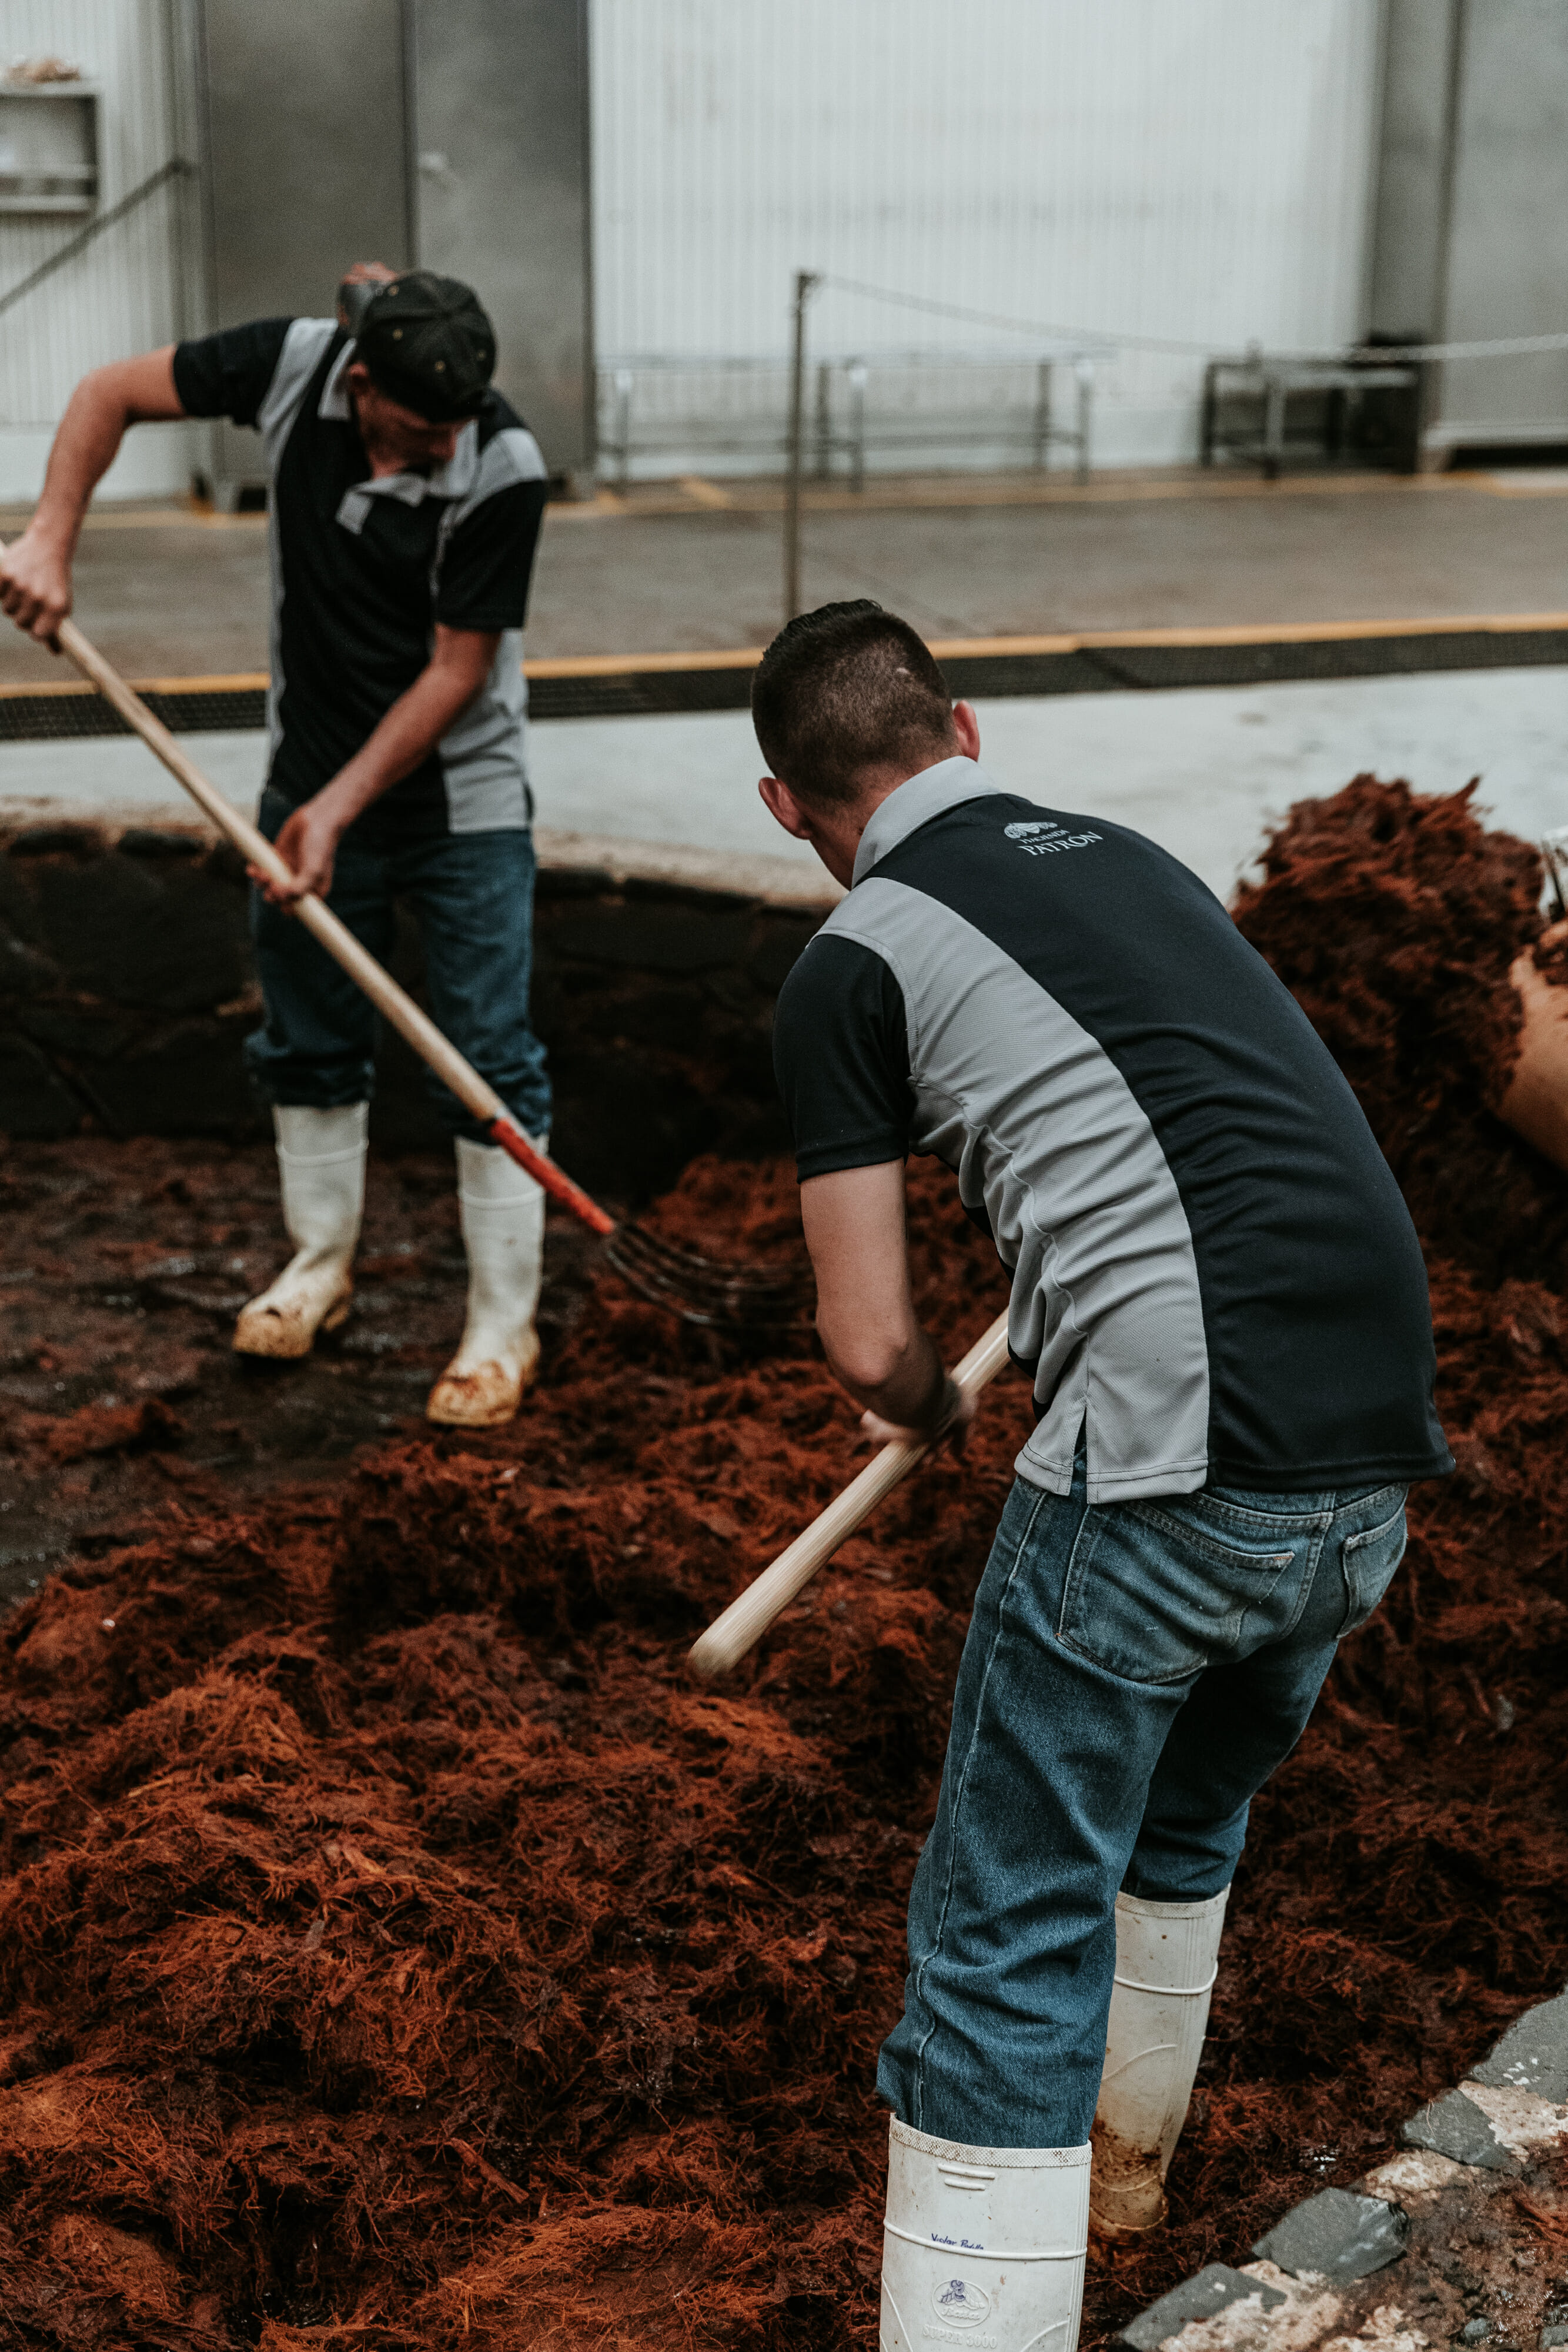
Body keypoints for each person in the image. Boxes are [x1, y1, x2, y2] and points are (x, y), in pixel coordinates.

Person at [754, 602, 1451, 2352]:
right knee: (1179, 1825)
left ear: (785, 810)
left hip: (1169, 1466)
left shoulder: (854, 960)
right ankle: (1129, 2192)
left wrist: (918, 1398)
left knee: (1004, 1925)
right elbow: (1189, 1116)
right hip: (1366, 1451)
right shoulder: (1128, 861)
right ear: (965, 734)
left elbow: (864, 1343)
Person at [0, 265, 553, 1429]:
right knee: (306, 1034)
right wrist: (51, 539)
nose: (434, 454)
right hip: (308, 775)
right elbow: (108, 391)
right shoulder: (293, 363)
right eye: (411, 433)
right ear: (360, 384)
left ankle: (502, 1323)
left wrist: (338, 808)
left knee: (487, 1052)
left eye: (449, 432)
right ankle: (319, 1267)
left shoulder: (502, 469)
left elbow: (457, 670)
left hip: (463, 801)